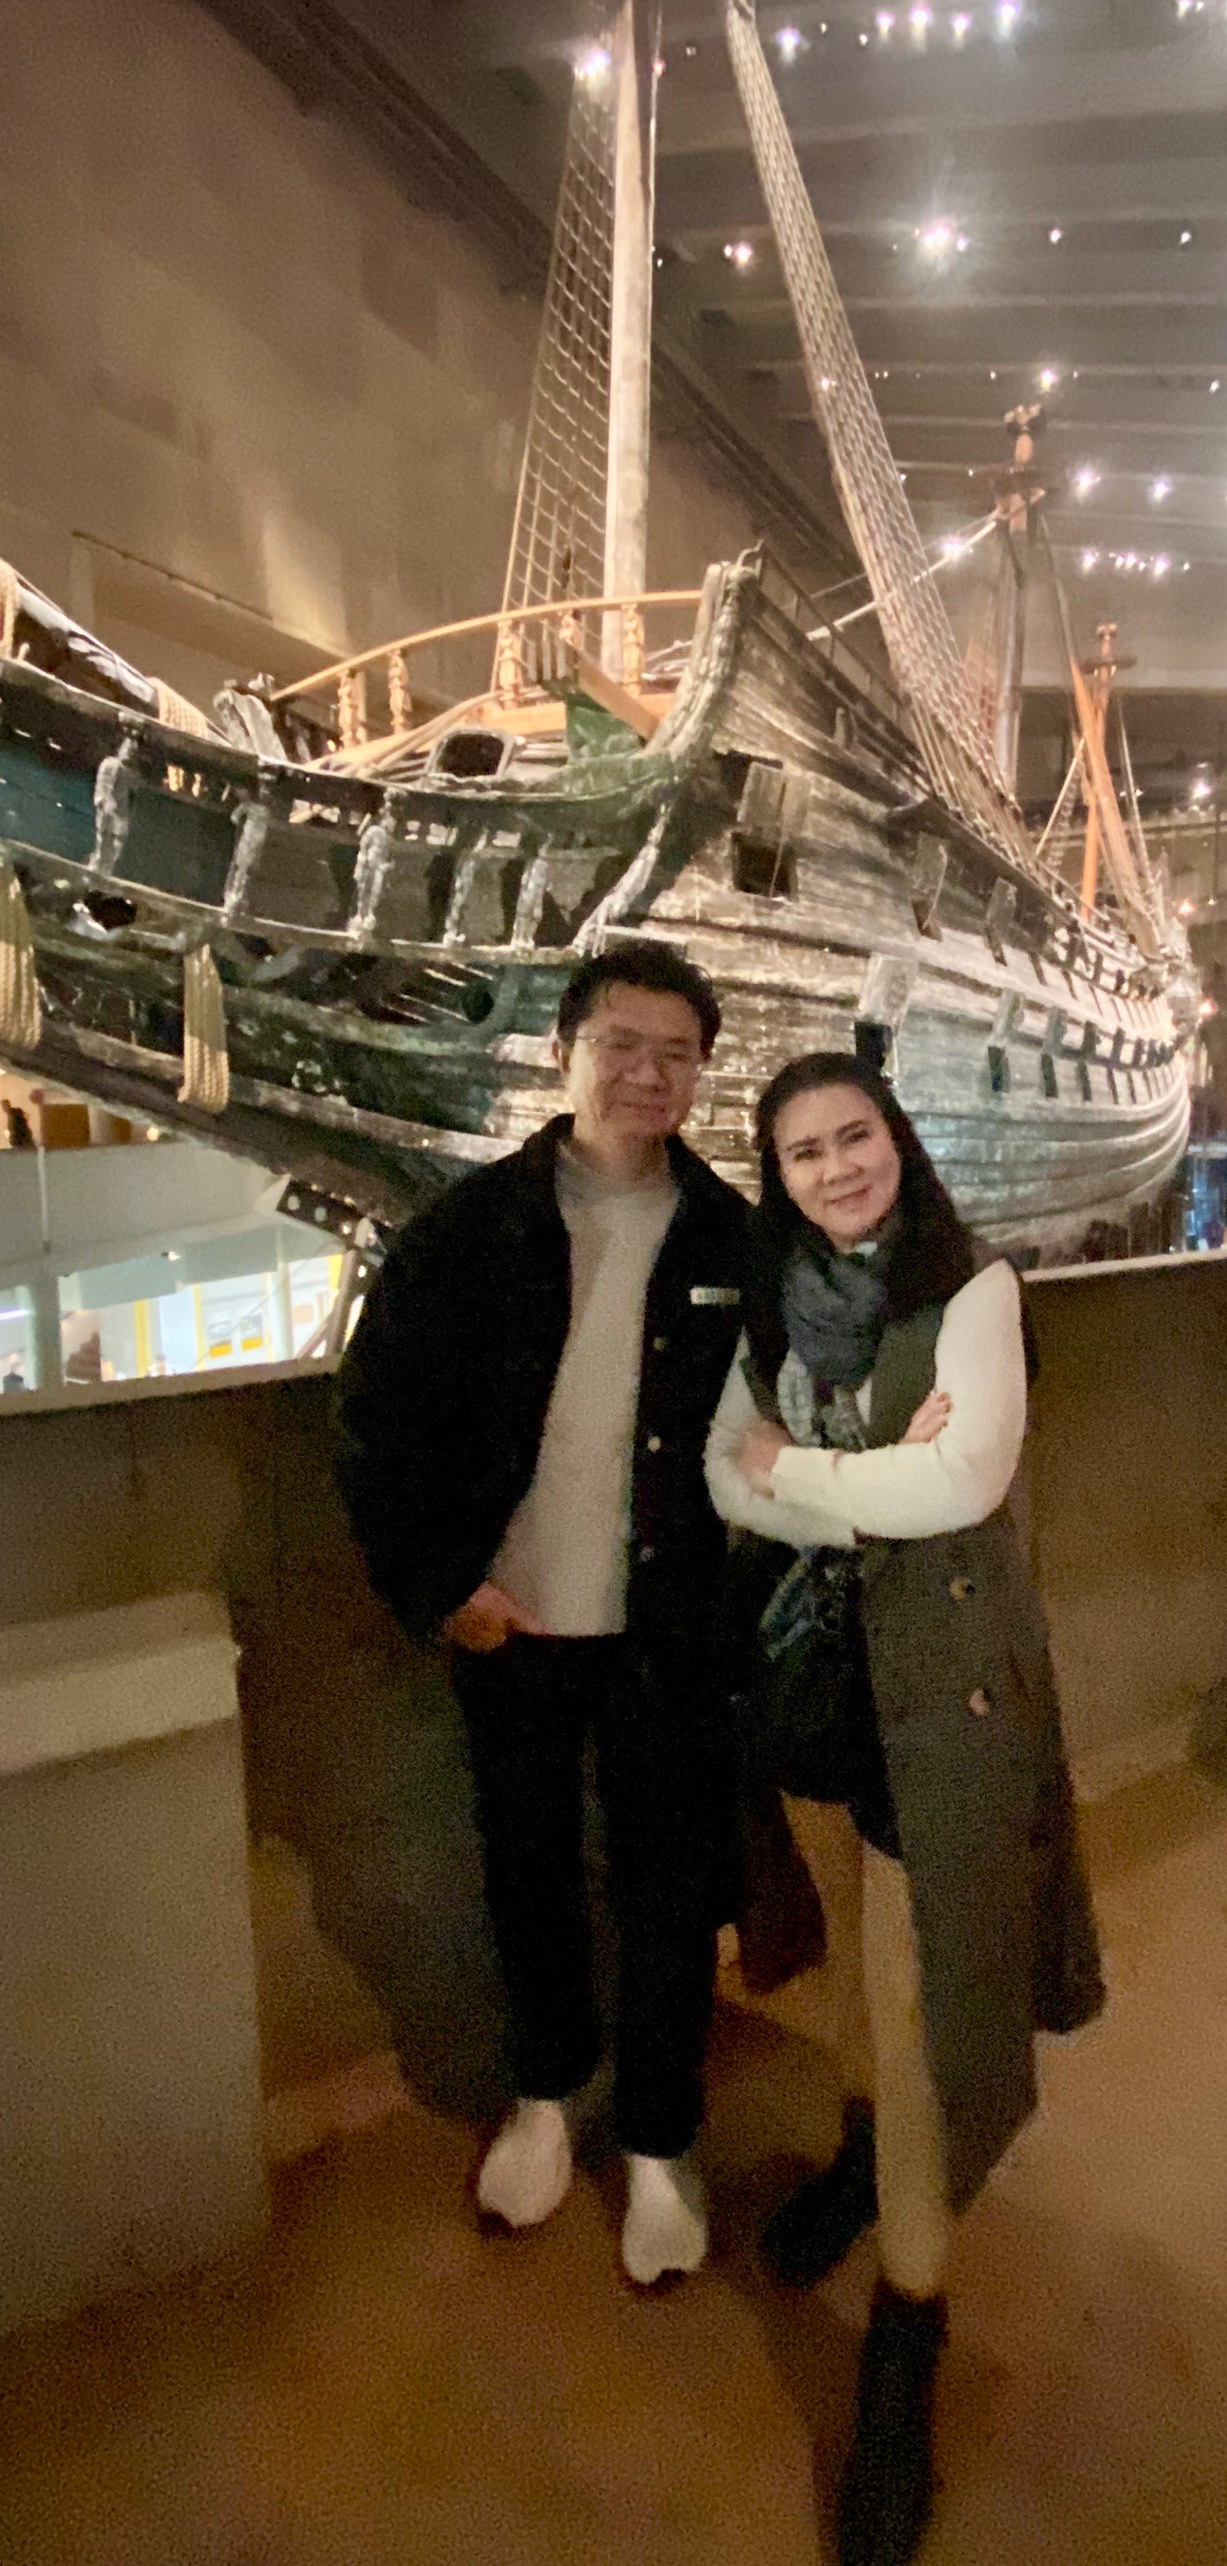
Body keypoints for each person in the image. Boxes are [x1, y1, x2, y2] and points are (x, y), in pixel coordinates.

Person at [706, 1052, 1103, 2566]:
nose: (835, 1167)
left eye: (854, 1136)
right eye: (803, 1151)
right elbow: (722, 1480)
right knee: (859, 1979)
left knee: (921, 2002)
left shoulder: (972, 1289)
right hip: (810, 1687)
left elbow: (962, 1484)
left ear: (897, 1140)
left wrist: (800, 1467)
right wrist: (866, 1466)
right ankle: (861, 2161)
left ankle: (909, 2328)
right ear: (780, 1175)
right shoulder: (771, 1302)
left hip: (939, 1700)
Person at [335, 937, 749, 2284]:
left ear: (700, 1074)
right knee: (527, 1872)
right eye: (621, 1045)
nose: (647, 1075)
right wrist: (437, 1584)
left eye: (676, 1055)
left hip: (667, 1627)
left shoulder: (731, 1236)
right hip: (510, 1622)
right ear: (566, 1050)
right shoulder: (472, 1226)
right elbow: (375, 1417)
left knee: (671, 1889)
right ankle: (546, 2095)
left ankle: (662, 2139)